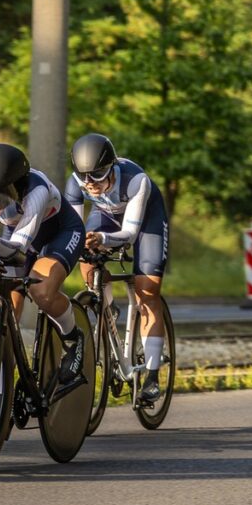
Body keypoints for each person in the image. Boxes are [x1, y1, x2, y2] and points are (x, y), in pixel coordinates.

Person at [0, 142, 87, 390]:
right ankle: (4, 395)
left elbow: (16, 250)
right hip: (16, 234)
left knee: (41, 291)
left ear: (12, 189)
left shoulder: (37, 190)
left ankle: (73, 337)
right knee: (5, 308)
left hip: (59, 234)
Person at [65, 133, 169, 404]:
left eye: (98, 175)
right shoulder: (76, 183)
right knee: (86, 259)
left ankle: (152, 376)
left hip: (146, 221)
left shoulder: (136, 180)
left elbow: (130, 235)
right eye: (84, 176)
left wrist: (103, 239)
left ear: (111, 167)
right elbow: (73, 230)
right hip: (106, 215)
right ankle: (106, 307)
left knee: (147, 291)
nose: (90, 184)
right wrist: (83, 243)